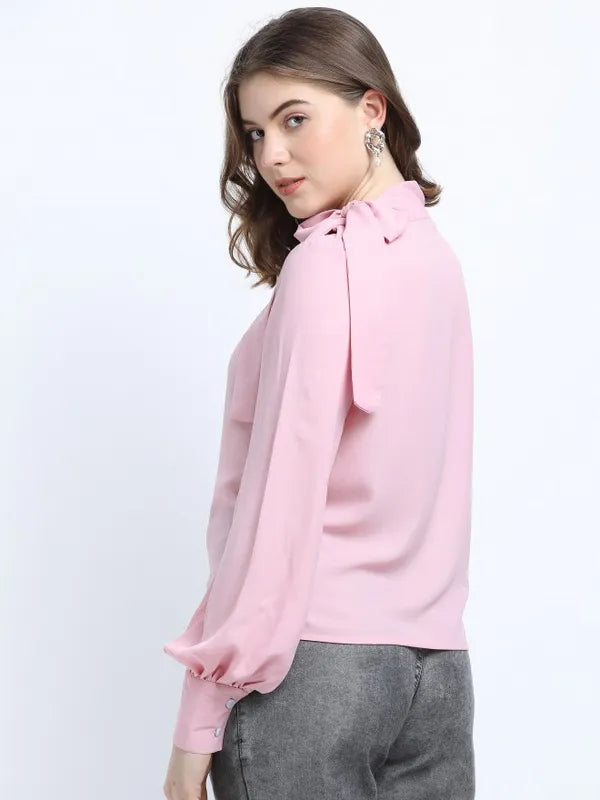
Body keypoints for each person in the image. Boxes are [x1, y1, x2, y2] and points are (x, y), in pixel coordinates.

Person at [162, 7, 475, 800]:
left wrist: (199, 717)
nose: (271, 154)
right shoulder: (435, 259)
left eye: (294, 119)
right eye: (255, 132)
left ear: (372, 108)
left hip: (312, 674)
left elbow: (276, 513)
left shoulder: (325, 264)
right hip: (435, 676)